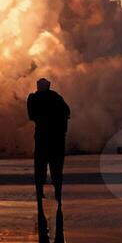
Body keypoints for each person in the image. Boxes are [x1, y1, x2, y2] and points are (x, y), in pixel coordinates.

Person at [27, 77, 70, 208]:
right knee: (56, 168)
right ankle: (57, 193)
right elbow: (67, 113)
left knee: (40, 168)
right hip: (56, 139)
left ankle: (40, 192)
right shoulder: (56, 98)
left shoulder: (34, 98)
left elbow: (32, 116)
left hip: (43, 138)